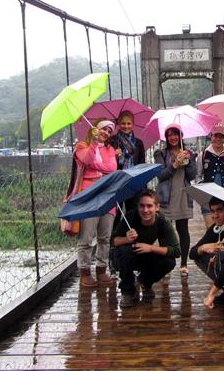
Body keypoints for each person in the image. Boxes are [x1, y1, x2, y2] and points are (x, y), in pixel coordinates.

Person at [67, 118, 118, 287]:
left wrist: (98, 166)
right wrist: (94, 145)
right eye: (103, 129)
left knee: (105, 236)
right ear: (94, 129)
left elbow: (112, 169)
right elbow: (88, 160)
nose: (106, 133)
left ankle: (102, 270)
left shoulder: (110, 149)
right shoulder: (81, 147)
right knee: (87, 236)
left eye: (109, 131)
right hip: (88, 196)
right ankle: (84, 272)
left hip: (107, 196)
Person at [111, 189, 180, 307]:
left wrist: (151, 248)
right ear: (138, 207)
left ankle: (145, 281)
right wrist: (126, 239)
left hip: (147, 254)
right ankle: (127, 291)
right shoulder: (130, 217)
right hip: (125, 257)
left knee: (169, 261)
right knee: (124, 251)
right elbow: (113, 242)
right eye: (142, 206)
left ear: (157, 207)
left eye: (149, 206)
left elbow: (177, 251)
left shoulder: (162, 222)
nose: (145, 210)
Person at [154, 124, 196, 277]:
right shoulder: (160, 153)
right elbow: (161, 175)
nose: (173, 138)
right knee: (164, 230)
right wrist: (175, 164)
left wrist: (188, 161)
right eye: (169, 135)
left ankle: (184, 264)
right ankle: (166, 263)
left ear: (180, 136)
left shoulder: (188, 152)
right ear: (166, 137)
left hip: (183, 195)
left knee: (183, 229)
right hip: (166, 196)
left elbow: (191, 176)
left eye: (175, 134)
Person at [196, 126, 224, 228]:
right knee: (211, 229)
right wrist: (201, 186)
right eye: (215, 136)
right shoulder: (203, 155)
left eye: (221, 137)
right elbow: (198, 175)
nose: (218, 139)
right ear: (211, 137)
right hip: (208, 198)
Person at [109, 109, 146, 215]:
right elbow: (107, 164)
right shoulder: (112, 141)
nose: (126, 126)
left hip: (134, 181)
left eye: (129, 123)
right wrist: (114, 156)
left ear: (133, 124)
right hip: (117, 182)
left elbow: (142, 164)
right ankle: (116, 232)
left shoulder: (138, 143)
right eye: (123, 123)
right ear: (119, 124)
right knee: (116, 214)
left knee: (133, 213)